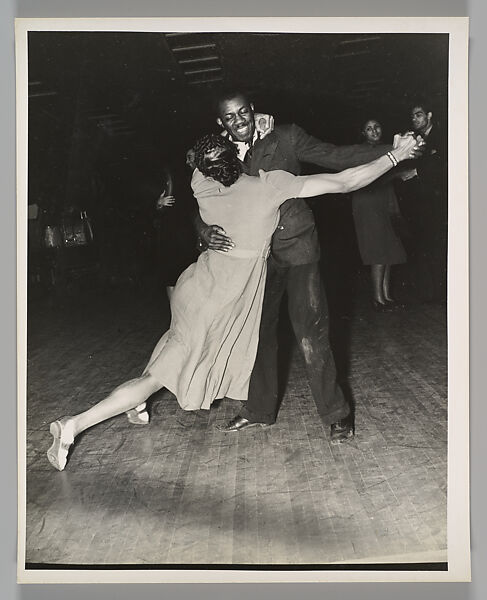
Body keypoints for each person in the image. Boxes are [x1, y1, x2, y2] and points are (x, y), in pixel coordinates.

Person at [46, 131, 416, 471]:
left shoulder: (201, 185)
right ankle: (73, 424)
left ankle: (137, 406)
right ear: (238, 160)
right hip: (219, 302)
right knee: (156, 377)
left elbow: (204, 159)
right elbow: (347, 180)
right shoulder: (270, 186)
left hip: (195, 287)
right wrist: (396, 156)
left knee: (176, 345)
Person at [197, 90, 421, 443]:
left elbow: (336, 156)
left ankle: (337, 414)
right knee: (256, 337)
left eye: (244, 112)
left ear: (254, 110)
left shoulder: (285, 136)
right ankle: (258, 410)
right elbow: (200, 200)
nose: (239, 121)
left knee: (310, 334)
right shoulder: (216, 153)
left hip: (299, 247)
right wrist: (203, 230)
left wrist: (392, 152)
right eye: (230, 117)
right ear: (221, 123)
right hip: (255, 258)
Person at [351, 118, 407, 311]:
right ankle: (377, 299)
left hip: (384, 200)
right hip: (368, 203)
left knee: (389, 249)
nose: (374, 131)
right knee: (377, 251)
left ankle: (386, 296)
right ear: (363, 133)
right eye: (369, 129)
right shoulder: (363, 151)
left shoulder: (385, 149)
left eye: (376, 127)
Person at [397, 101, 447, 303]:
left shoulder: (441, 136)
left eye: (418, 115)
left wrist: (417, 171)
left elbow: (445, 165)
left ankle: (439, 293)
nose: (415, 119)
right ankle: (429, 292)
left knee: (436, 245)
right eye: (413, 116)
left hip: (437, 202)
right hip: (419, 202)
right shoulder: (416, 140)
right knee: (424, 244)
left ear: (430, 115)